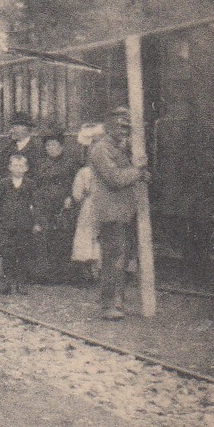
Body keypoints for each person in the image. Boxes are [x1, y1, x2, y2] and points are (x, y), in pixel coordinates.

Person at [88, 107, 149, 319]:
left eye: (127, 128)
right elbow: (114, 179)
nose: (124, 132)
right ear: (109, 127)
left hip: (126, 211)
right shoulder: (100, 150)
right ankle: (108, 305)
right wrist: (137, 173)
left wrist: (141, 173)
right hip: (111, 213)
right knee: (112, 259)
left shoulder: (122, 148)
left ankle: (118, 301)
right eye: (120, 127)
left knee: (123, 260)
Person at [33, 131, 82, 282]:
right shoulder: (41, 163)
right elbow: (36, 184)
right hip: (44, 204)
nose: (50, 148)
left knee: (63, 237)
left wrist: (71, 197)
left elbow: (77, 183)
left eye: (53, 145)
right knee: (44, 237)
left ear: (61, 147)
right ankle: (45, 273)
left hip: (64, 205)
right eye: (47, 145)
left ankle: (63, 273)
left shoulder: (71, 163)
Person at [0, 152, 40, 295]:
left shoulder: (30, 184)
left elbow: (36, 204)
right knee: (7, 253)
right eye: (15, 166)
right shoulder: (4, 184)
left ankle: (21, 283)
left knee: (23, 253)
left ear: (26, 168)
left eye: (21, 166)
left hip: (24, 225)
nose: (18, 168)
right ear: (9, 168)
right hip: (7, 225)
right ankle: (7, 282)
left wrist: (36, 222)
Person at [0, 112, 42, 186]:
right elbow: (1, 176)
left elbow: (38, 178)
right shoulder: (6, 150)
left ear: (25, 128)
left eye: (14, 128)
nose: (11, 131)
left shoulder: (38, 150)